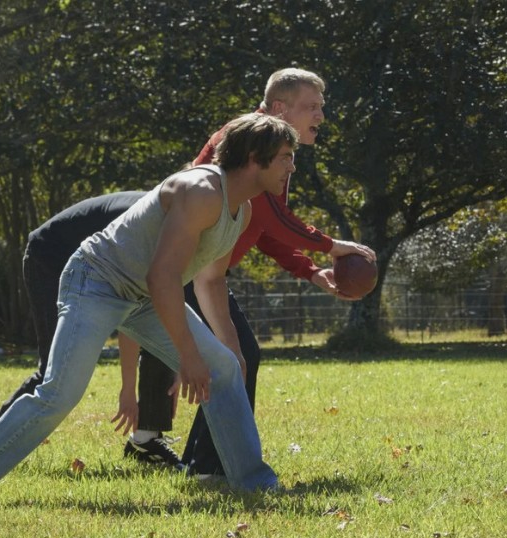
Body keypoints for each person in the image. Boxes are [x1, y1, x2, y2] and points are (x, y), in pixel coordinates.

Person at [0, 113, 293, 506]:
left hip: (141, 297)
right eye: (284, 156)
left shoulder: (239, 210)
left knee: (225, 370)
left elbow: (208, 281)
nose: (291, 166)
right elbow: (163, 277)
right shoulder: (201, 191)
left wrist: (232, 352)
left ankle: (253, 483)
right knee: (60, 392)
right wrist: (188, 357)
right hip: (96, 282)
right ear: (252, 158)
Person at [140, 67, 375, 477]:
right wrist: (331, 246)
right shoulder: (248, 141)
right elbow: (273, 217)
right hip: (181, 272)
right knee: (236, 357)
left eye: (322, 107)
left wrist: (310, 270)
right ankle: (209, 465)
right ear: (281, 108)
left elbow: (262, 227)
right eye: (312, 107)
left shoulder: (277, 148)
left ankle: (205, 463)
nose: (320, 116)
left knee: (237, 357)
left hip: (205, 273)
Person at [0, 192, 185, 470]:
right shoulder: (159, 222)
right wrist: (127, 390)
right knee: (55, 370)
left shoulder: (181, 220)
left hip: (87, 260)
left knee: (161, 323)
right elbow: (132, 314)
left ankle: (146, 438)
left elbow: (147, 311)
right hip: (50, 256)